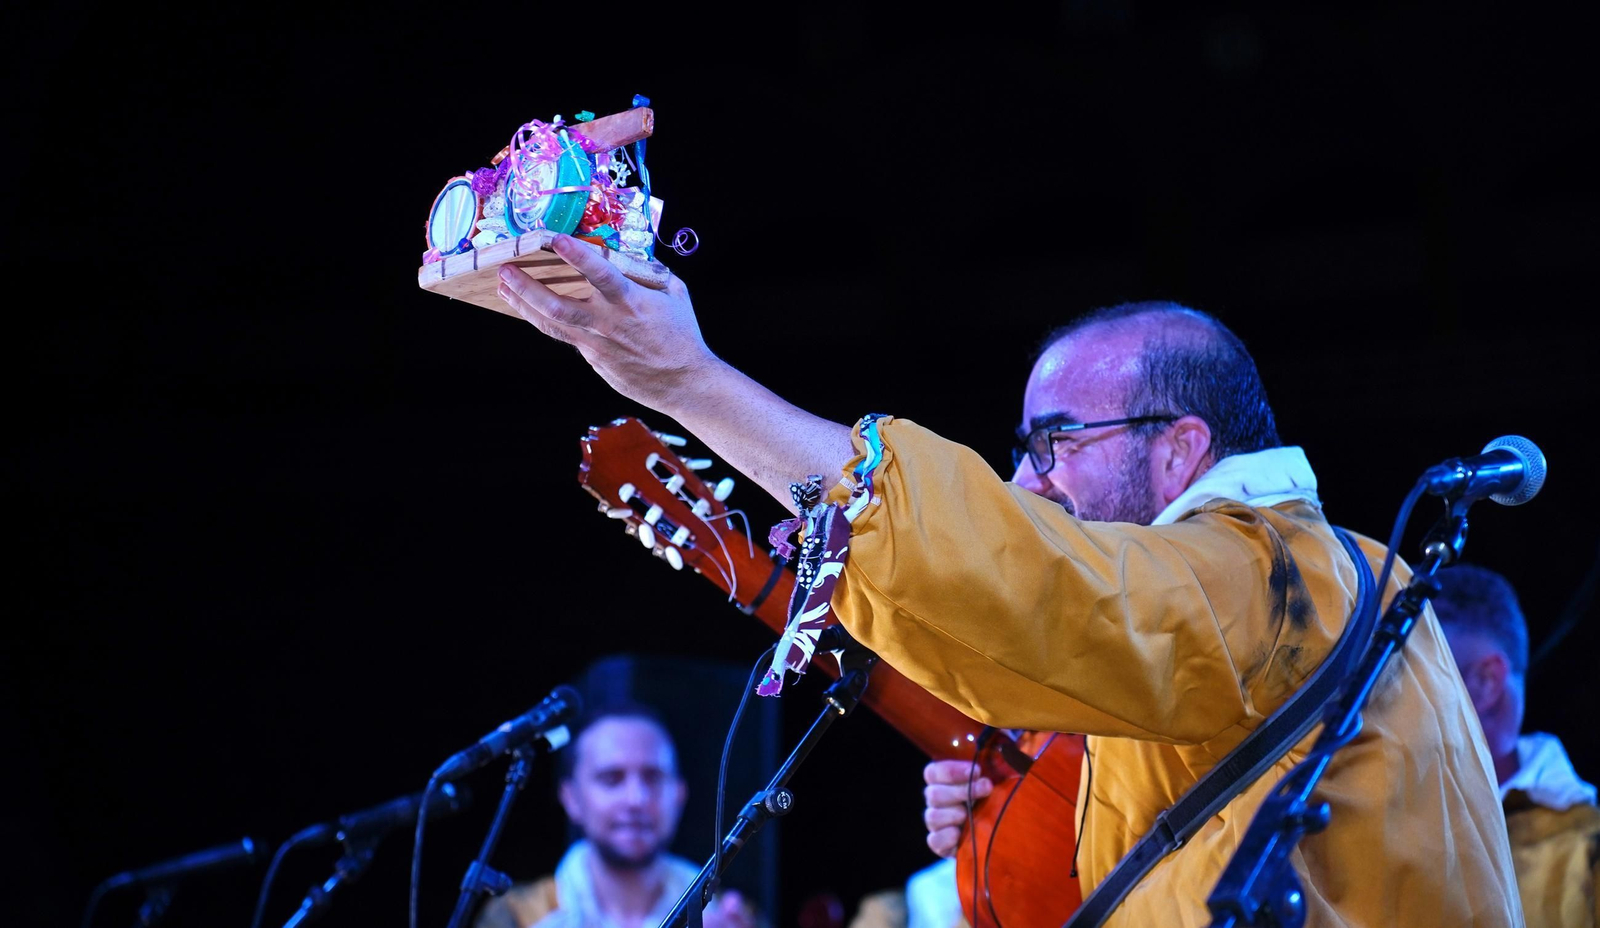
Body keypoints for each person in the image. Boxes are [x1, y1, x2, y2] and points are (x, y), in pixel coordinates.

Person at [494, 235, 1522, 925]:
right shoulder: (1310, 577)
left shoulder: (1269, 571)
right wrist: (1018, 810)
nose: (1023, 481)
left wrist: (690, 381)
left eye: (1056, 443)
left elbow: (1025, 584)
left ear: (1180, 450)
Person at [473, 703, 754, 928]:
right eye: (611, 779)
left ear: (680, 794)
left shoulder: (731, 915)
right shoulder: (519, 915)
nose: (636, 800)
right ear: (571, 798)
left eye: (653, 778)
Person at [1433, 564, 1599, 928]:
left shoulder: (1586, 849)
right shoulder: (1356, 806)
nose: (1377, 697)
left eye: (1413, 670)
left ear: (1486, 681)